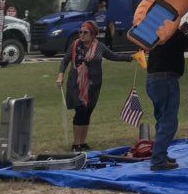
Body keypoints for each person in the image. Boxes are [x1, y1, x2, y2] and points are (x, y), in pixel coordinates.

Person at [55, 20, 136, 150]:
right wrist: (60, 75)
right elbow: (65, 61)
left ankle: (83, 142)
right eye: (80, 32)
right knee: (80, 111)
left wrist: (131, 57)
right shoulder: (75, 45)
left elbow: (114, 56)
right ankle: (76, 144)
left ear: (93, 34)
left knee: (87, 113)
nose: (82, 35)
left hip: (94, 85)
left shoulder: (100, 47)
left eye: (85, 33)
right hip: (76, 84)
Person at [145, 21, 188, 171]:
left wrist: (182, 32)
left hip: (152, 80)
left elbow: (172, 45)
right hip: (167, 80)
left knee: (161, 119)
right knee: (169, 122)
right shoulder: (174, 33)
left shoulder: (159, 30)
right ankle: (158, 160)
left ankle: (160, 153)